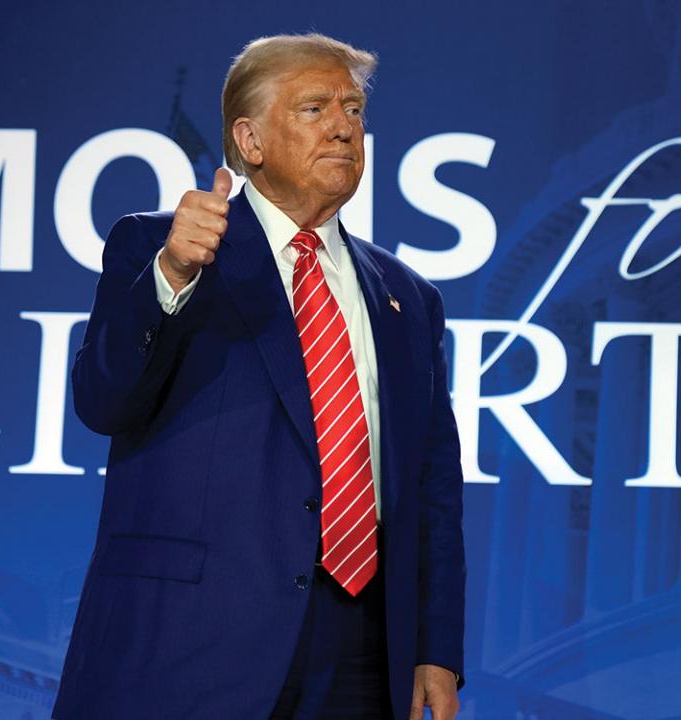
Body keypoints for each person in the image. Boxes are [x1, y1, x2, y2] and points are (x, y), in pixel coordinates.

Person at [52, 33, 466, 720]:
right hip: (187, 650)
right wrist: (172, 275)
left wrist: (436, 646)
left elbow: (432, 489)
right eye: (314, 108)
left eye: (354, 109)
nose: (344, 126)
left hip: (359, 666)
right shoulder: (162, 247)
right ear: (250, 140)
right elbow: (102, 399)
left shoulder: (408, 297)